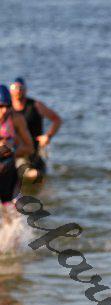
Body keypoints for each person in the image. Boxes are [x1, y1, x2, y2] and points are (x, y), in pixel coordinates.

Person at [10, 77, 62, 183]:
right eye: (15, 88)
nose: (18, 91)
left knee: (37, 175)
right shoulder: (6, 108)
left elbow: (57, 120)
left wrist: (48, 136)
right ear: (10, 90)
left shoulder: (36, 106)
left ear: (25, 90)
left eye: (21, 88)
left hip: (35, 148)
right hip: (16, 149)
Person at [0, 84, 33, 223]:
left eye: (7, 106)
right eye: (0, 106)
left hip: (9, 170)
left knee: (14, 216)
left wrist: (11, 151)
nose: (4, 110)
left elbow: (29, 147)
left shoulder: (16, 119)